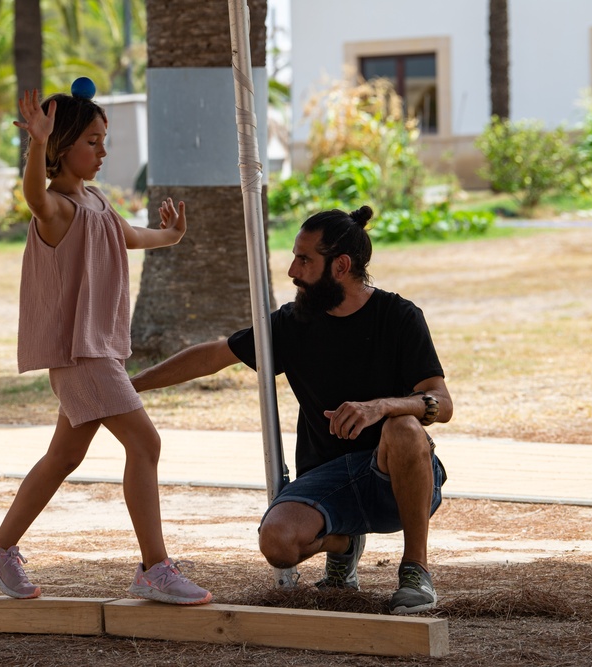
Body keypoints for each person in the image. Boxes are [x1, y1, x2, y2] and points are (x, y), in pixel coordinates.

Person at [130, 205, 451, 615]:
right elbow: (212, 355)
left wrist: (382, 407)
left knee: (404, 428)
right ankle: (345, 542)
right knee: (277, 544)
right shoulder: (292, 323)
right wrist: (130, 383)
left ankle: (415, 570)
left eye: (304, 260)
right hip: (327, 479)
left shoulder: (399, 316)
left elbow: (442, 402)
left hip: (396, 473)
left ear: (341, 265)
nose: (291, 271)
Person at [0, 84, 211, 605]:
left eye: (105, 141)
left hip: (100, 348)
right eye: (93, 142)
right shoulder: (55, 207)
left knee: (63, 457)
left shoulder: (95, 200)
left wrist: (169, 237)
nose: (103, 152)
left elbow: (125, 235)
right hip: (82, 354)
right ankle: (154, 568)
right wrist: (36, 144)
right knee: (146, 443)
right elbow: (33, 195)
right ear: (61, 146)